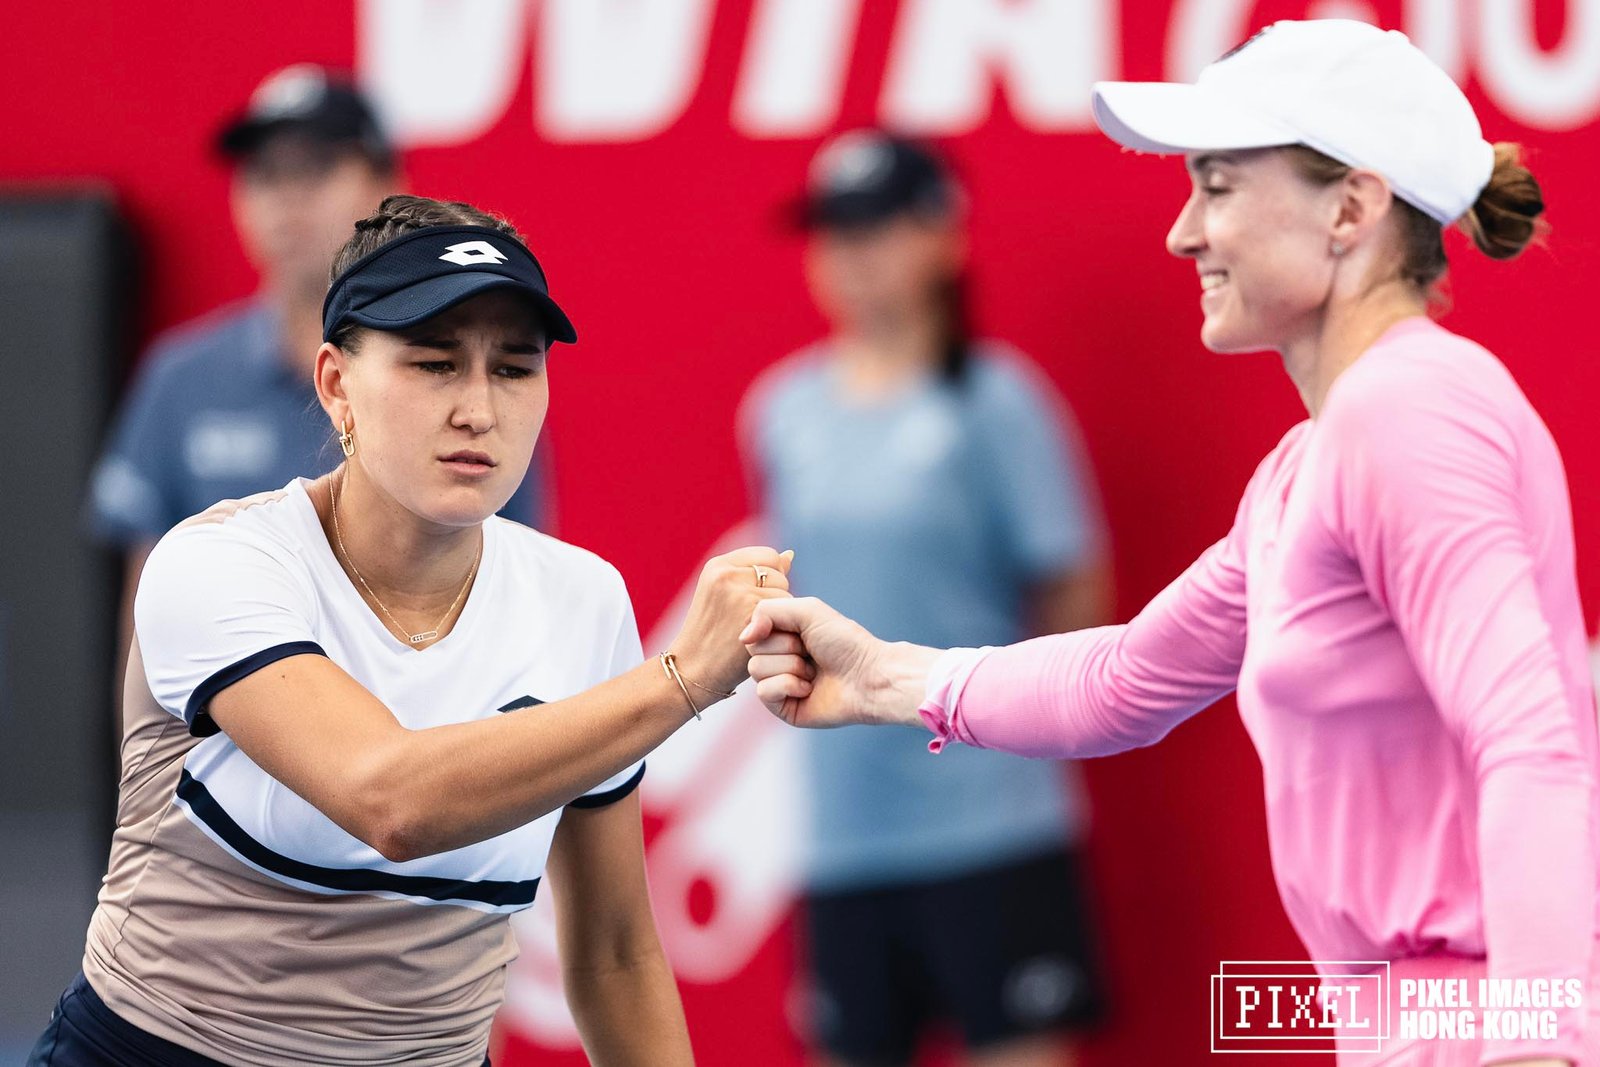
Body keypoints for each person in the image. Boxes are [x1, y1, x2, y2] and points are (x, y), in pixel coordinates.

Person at [743, 20, 1598, 1067]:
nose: (1184, 234)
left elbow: (1530, 740)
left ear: (1350, 209)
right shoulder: (1313, 460)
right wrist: (879, 676)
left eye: (1218, 188)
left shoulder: (1405, 409)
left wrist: (1533, 1043)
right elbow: (1121, 680)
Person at [29, 194, 792, 1066]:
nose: (478, 409)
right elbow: (391, 803)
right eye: (434, 363)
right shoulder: (217, 565)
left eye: (515, 368)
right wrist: (682, 679)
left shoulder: (584, 600)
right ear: (336, 385)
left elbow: (614, 954)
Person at [738, 130, 1112, 1067]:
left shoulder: (998, 403)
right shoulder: (782, 410)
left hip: (991, 824)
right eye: (834, 232)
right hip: (844, 832)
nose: (851, 255)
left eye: (876, 228)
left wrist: (1009, 721)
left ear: (943, 237)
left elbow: (1075, 600)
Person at [87, 65, 550, 726]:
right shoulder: (181, 379)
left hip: (429, 752)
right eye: (265, 175)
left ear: (388, 186)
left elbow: (511, 592)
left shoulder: (473, 387)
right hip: (229, 767)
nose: (287, 199)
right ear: (333, 383)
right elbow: (145, 625)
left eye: (316, 169)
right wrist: (150, 777)